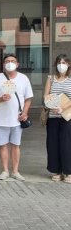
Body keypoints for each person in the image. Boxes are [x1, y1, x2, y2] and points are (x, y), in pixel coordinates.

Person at [0, 53, 33, 181]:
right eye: (7, 61)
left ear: (17, 64)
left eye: (12, 61)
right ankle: (5, 170)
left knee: (16, 145)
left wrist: (25, 112)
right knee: (3, 145)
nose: (10, 63)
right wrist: (1, 98)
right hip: (1, 119)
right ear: (3, 64)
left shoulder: (23, 78)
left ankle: (15, 171)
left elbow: (28, 98)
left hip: (17, 119)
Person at [44, 54, 71, 183]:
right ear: (56, 65)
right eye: (59, 62)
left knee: (67, 144)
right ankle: (57, 171)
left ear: (69, 64)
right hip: (53, 116)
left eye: (64, 62)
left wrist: (63, 108)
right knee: (53, 144)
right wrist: (52, 105)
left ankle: (68, 172)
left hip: (67, 118)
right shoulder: (51, 78)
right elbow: (46, 96)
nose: (62, 65)